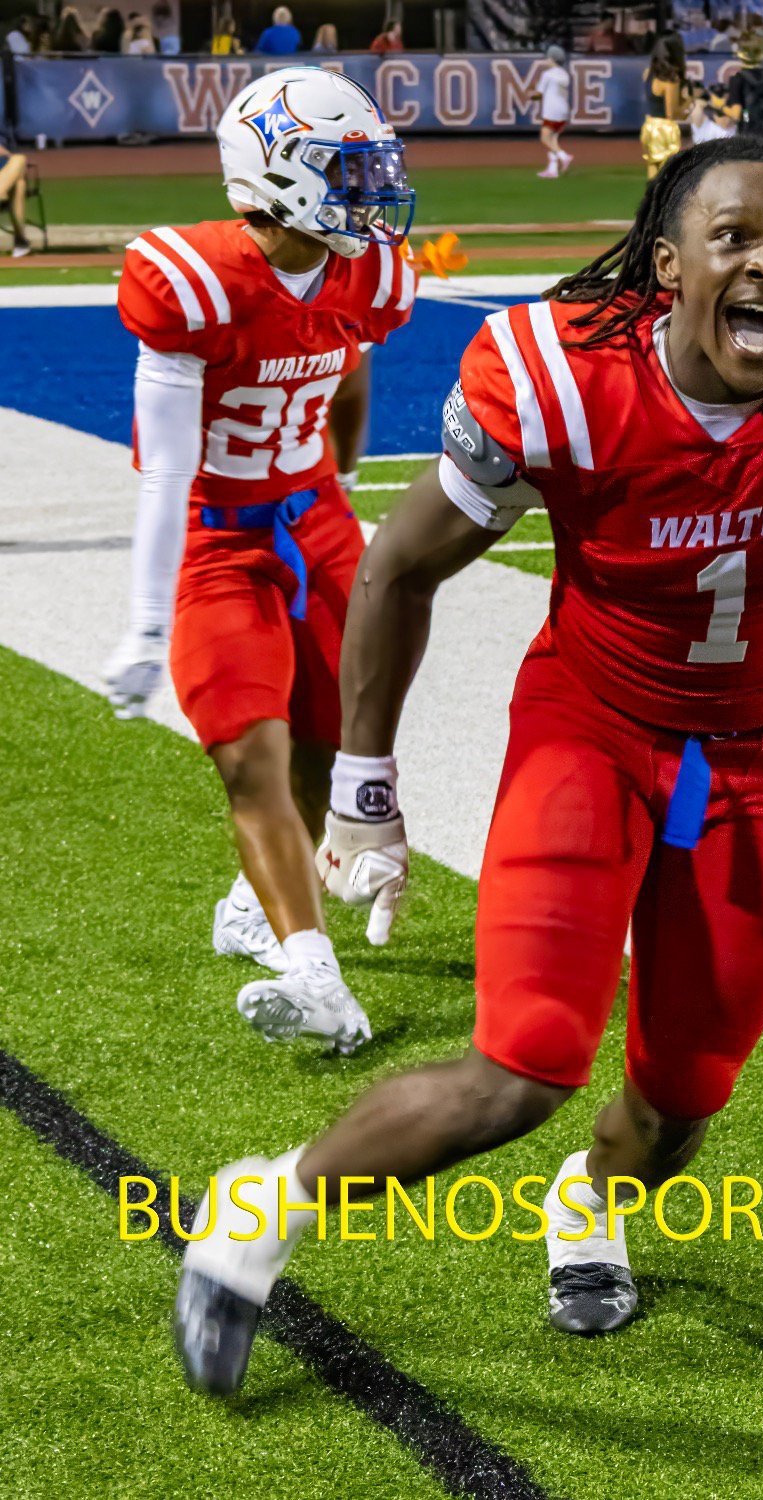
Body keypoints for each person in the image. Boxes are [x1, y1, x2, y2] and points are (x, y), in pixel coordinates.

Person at [173, 134, 763, 1394]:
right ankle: (263, 1208)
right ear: (668, 263)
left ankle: (593, 1200)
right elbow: (397, 567)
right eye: (736, 240)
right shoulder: (557, 373)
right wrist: (367, 790)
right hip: (593, 728)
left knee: (681, 1098)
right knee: (525, 1063)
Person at [102, 67, 435, 1055]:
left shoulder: (364, 272)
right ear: (276, 176)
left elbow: (349, 356)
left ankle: (253, 908)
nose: (370, 194)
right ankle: (311, 968)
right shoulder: (191, 284)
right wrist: (146, 622)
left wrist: (340, 487)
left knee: (328, 741)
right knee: (251, 748)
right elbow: (166, 475)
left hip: (315, 520)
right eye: (346, 171)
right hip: (220, 535)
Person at [639, 33, 687, 179]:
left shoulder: (648, 73)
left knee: (653, 173)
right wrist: (690, 101)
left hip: (649, 125)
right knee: (668, 178)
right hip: (665, 130)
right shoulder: (671, 80)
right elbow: (672, 114)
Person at [536, 45, 573, 179]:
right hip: (563, 111)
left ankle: (564, 156)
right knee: (553, 139)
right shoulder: (564, 74)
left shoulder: (547, 75)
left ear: (552, 59)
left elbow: (539, 94)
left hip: (552, 111)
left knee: (545, 137)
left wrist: (530, 95)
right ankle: (552, 170)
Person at [0, 141, 32, 258]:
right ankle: (21, 240)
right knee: (20, 179)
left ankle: (21, 241)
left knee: (19, 163)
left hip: (5, 169)